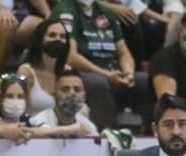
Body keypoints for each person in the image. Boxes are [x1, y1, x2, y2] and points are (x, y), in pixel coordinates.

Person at [50, 0, 145, 131]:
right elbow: (70, 56)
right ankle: (105, 134)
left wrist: (128, 73)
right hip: (80, 72)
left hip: (111, 72)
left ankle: (151, 130)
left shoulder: (106, 12)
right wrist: (105, 75)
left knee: (143, 80)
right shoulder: (66, 10)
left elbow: (124, 52)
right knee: (98, 83)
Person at [0, 0, 48, 75]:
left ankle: (37, 78)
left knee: (45, 28)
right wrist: (0, 10)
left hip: (18, 12)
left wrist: (48, 15)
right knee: (2, 27)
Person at [17, 17, 69, 117]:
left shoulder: (67, 71)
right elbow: (22, 114)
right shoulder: (26, 72)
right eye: (52, 35)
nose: (58, 39)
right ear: (40, 39)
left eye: (62, 36)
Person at [28, 68, 99, 135]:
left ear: (84, 96)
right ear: (54, 95)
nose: (72, 94)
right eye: (65, 89)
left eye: (77, 89)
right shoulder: (38, 121)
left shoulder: (89, 127)